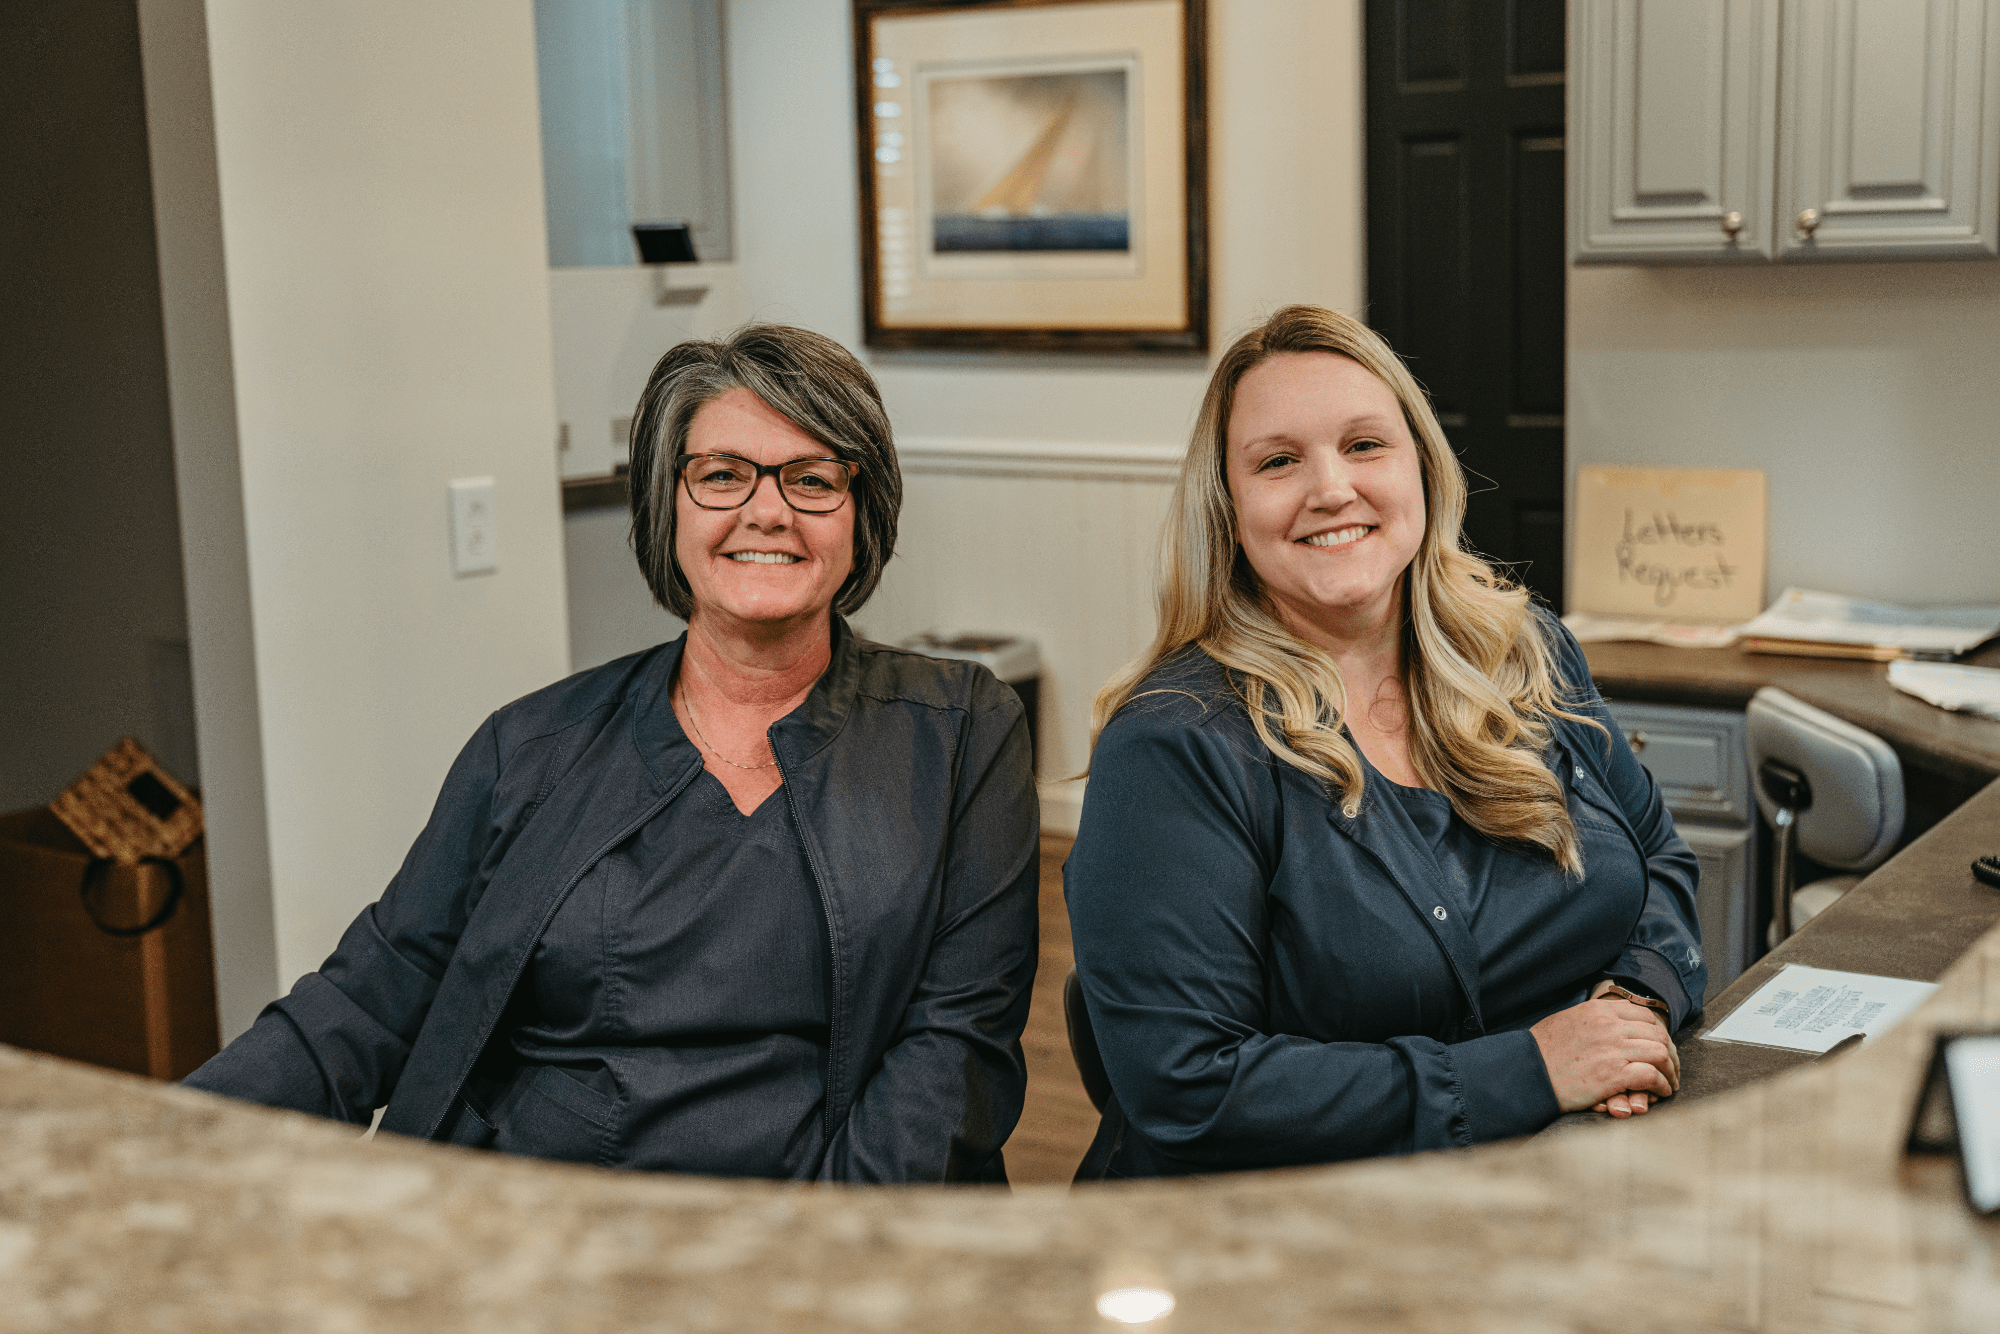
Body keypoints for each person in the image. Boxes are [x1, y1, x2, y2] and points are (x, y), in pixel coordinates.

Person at [186, 324, 1040, 1183]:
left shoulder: (958, 732)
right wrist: (164, 1137)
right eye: (721, 475)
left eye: (812, 479)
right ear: (665, 508)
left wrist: (807, 1263)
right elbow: (370, 996)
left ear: (864, 513)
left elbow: (955, 1053)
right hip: (542, 1230)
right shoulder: (527, 747)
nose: (768, 510)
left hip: (825, 1251)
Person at [1065, 305, 1704, 1180]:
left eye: (1365, 445)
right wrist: (1535, 1069)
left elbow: (1659, 858)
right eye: (1279, 461)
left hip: (1561, 1184)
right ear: (1229, 506)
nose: (1331, 489)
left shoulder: (1525, 651)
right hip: (1283, 1242)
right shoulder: (1176, 745)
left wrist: (1634, 1004)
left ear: (1422, 470)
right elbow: (1188, 1087)